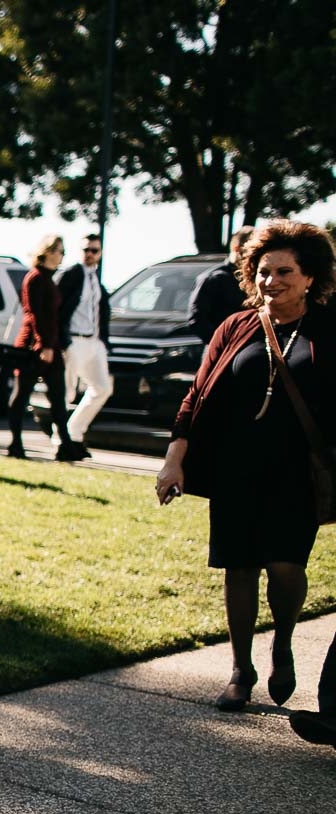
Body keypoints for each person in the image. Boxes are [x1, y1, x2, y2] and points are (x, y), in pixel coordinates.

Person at [156, 220, 335, 711]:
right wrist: (175, 459)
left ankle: (282, 643)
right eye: (262, 271)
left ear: (309, 277)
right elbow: (196, 395)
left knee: (285, 567)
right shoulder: (237, 326)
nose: (270, 281)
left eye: (283, 272)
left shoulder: (328, 327)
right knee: (238, 567)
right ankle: (241, 669)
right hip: (237, 466)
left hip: (296, 471)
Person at [9, 235, 84, 461]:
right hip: (34, 346)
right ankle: (16, 444)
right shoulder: (35, 278)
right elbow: (34, 314)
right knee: (22, 395)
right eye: (60, 251)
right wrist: (44, 345)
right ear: (48, 252)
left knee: (58, 396)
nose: (62, 256)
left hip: (51, 344)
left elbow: (53, 316)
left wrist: (53, 344)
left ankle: (66, 444)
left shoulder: (50, 280)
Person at [55, 233, 111, 460]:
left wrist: (103, 342)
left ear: (100, 253)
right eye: (86, 250)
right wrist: (63, 341)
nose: (89, 255)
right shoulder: (70, 275)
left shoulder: (96, 279)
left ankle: (74, 433)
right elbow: (58, 309)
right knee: (67, 391)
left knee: (102, 388)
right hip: (74, 340)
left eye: (94, 251)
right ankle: (62, 442)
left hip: (94, 341)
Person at [189, 225, 256, 344]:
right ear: (237, 249)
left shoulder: (257, 277)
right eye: (252, 251)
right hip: (223, 352)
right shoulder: (215, 278)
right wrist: (222, 344)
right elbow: (197, 320)